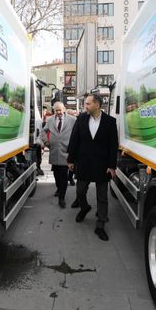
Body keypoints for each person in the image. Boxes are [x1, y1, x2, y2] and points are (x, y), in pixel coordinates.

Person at [67, 93, 118, 241]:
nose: (85, 106)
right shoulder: (81, 118)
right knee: (80, 191)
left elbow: (113, 146)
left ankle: (100, 225)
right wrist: (70, 159)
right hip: (83, 163)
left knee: (102, 196)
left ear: (97, 104)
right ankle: (84, 208)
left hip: (102, 164)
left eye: (88, 104)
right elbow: (74, 139)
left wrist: (112, 166)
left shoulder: (110, 122)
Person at [42, 102, 76, 208]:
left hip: (66, 153)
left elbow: (78, 133)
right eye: (56, 110)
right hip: (54, 152)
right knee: (56, 174)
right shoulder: (50, 119)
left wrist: (75, 146)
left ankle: (62, 197)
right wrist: (46, 142)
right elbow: (43, 131)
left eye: (60, 110)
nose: (59, 112)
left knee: (63, 175)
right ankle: (59, 188)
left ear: (64, 109)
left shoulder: (72, 120)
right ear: (54, 111)